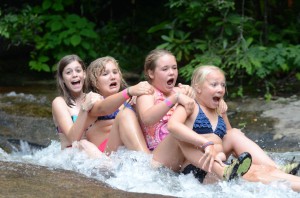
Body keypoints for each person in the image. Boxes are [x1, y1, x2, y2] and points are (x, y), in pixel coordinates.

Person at [168, 65, 300, 191]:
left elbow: (229, 139)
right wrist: (206, 143)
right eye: (214, 85)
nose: (220, 89)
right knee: (252, 174)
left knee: (260, 166)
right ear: (198, 88)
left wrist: (223, 115)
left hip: (221, 162)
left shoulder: (218, 109)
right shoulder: (190, 105)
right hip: (197, 169)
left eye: (223, 85)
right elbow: (173, 126)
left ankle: (275, 168)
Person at [135, 49, 252, 181]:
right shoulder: (147, 92)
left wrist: (218, 99)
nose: (171, 72)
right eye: (165, 69)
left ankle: (266, 166)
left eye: (174, 68)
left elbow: (203, 94)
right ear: (151, 73)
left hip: (188, 155)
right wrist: (175, 98)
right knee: (178, 133)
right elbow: (147, 119)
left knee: (232, 134)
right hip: (162, 156)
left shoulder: (184, 90)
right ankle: (221, 170)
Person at [83, 56, 153, 155]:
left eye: (115, 72)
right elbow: (103, 108)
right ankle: (146, 160)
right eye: (105, 74)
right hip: (107, 152)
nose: (112, 77)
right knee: (125, 114)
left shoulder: (130, 100)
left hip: (128, 148)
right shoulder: (92, 101)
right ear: (95, 83)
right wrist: (129, 91)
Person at [52, 54, 103, 158]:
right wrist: (84, 108)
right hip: (71, 156)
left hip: (95, 153)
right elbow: (73, 139)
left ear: (84, 74)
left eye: (78, 70)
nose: (74, 75)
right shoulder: (59, 103)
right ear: (62, 79)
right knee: (83, 143)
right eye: (68, 72)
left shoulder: (93, 98)